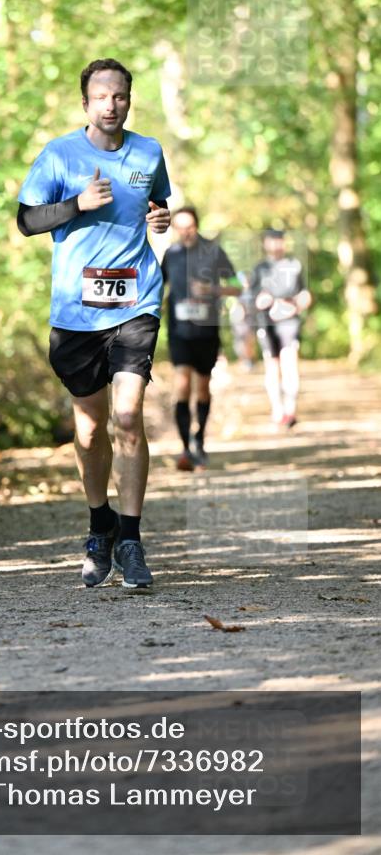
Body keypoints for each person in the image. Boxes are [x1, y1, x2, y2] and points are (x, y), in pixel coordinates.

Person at [17, 58, 171, 590]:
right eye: (101, 96)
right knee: (88, 429)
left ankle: (130, 539)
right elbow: (26, 220)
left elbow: (158, 202)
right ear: (86, 103)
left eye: (120, 96)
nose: (111, 104)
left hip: (136, 301)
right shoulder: (60, 155)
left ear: (130, 100)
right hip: (76, 312)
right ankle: (98, 523)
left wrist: (161, 217)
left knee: (127, 417)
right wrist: (77, 204)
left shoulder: (148, 151)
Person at [161, 207, 241, 471]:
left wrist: (212, 289)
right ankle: (185, 449)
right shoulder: (170, 254)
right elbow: (158, 286)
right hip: (178, 331)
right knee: (182, 384)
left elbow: (238, 286)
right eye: (180, 227)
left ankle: (200, 440)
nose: (185, 232)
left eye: (190, 226)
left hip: (206, 331)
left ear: (197, 226)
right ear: (174, 229)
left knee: (203, 388)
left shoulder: (214, 251)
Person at [249, 229, 311, 429]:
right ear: (265, 244)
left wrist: (298, 305)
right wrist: (259, 301)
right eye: (271, 241)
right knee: (272, 365)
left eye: (279, 241)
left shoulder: (295, 265)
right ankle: (277, 409)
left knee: (289, 361)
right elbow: (250, 298)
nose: (276, 245)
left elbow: (305, 294)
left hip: (289, 322)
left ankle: (290, 409)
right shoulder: (259, 269)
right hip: (266, 323)